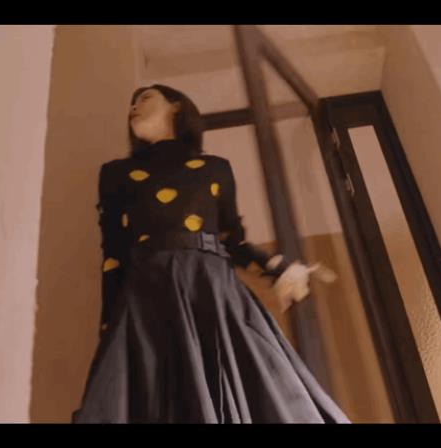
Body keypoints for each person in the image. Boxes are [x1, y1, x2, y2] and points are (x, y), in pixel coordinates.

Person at [71, 84, 350, 423]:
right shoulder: (115, 174)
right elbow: (113, 254)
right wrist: (109, 329)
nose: (133, 107)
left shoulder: (215, 168)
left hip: (212, 287)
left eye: (144, 98)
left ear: (176, 106)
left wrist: (279, 267)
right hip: (148, 291)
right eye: (131, 103)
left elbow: (233, 242)